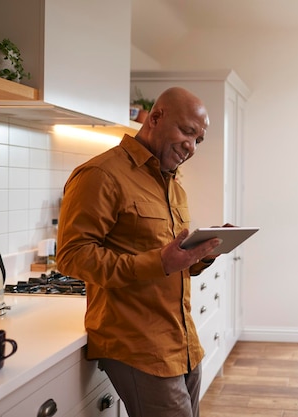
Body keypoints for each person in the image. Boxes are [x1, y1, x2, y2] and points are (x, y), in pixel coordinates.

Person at [56, 87, 221, 417]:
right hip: (138, 345)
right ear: (155, 118)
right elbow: (72, 255)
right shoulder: (101, 174)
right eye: (187, 131)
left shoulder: (174, 185)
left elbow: (170, 262)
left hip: (182, 341)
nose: (191, 146)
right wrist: (159, 261)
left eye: (198, 139)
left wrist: (199, 255)